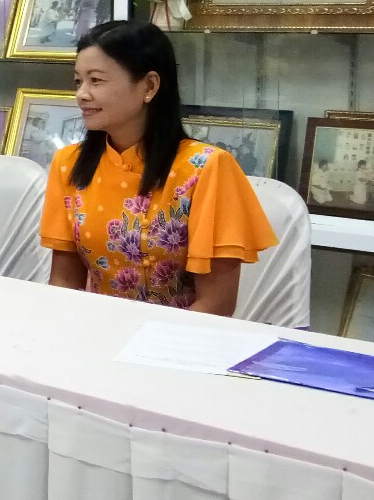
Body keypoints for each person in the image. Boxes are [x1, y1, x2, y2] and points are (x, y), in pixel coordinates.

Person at [41, 21, 277, 313]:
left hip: (179, 335)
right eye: (78, 81)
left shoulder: (206, 168)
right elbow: (64, 283)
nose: (82, 94)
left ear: (149, 86)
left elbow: (217, 305)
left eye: (96, 80)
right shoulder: (69, 164)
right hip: (97, 329)